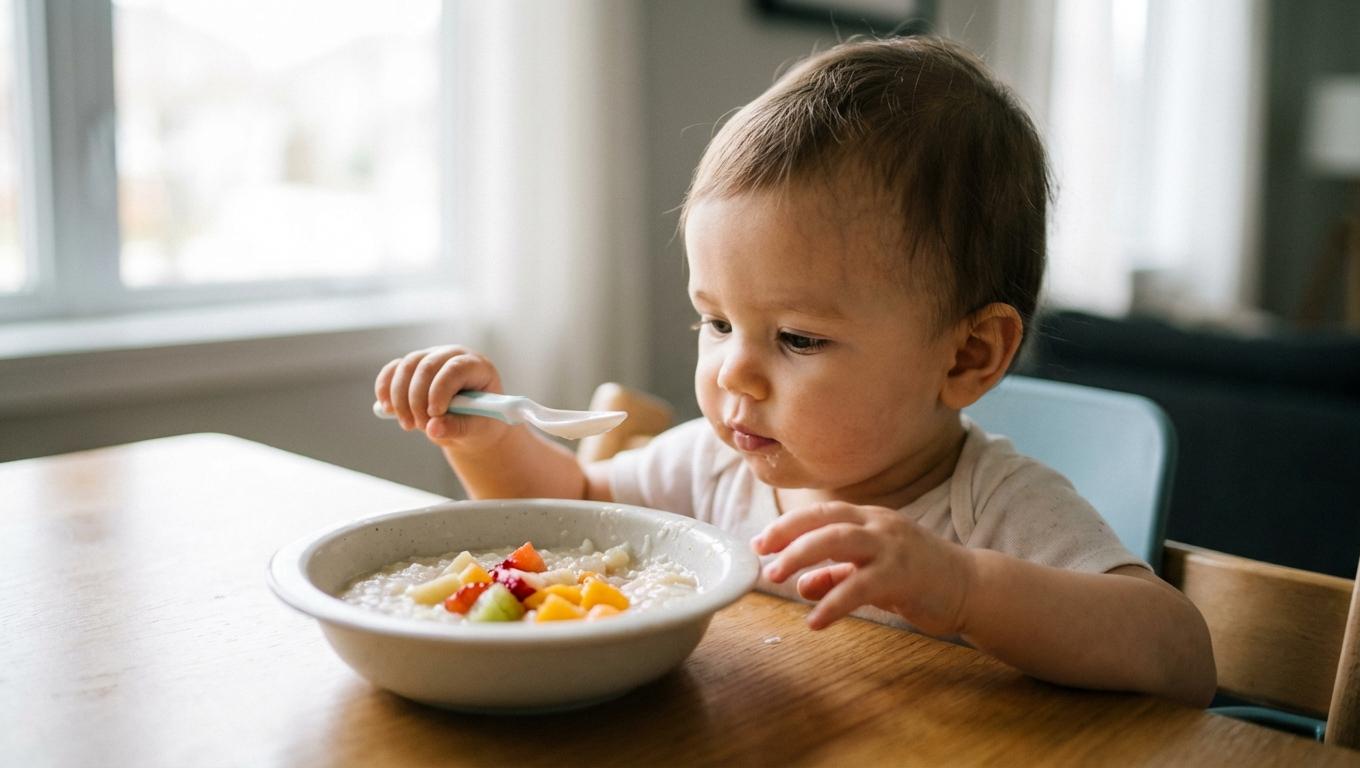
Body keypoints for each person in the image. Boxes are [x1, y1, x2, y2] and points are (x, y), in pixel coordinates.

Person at [374, 36, 1216, 706]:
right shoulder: (712, 460)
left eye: (799, 340)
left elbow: (1179, 655)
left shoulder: (990, 508)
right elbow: (576, 515)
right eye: (717, 321)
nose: (734, 373)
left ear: (967, 355)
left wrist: (963, 589)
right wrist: (483, 442)